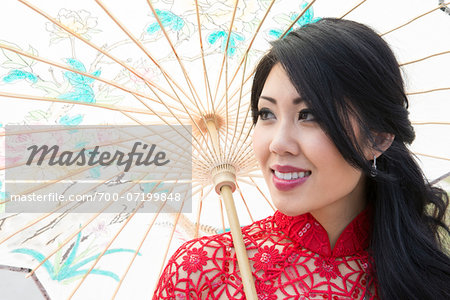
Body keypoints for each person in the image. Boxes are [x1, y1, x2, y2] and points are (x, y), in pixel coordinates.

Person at [153, 18, 450, 299]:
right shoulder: (200, 272)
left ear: (378, 139)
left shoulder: (428, 280)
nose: (279, 143)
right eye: (266, 114)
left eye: (309, 115)